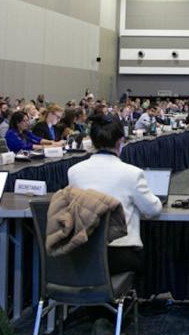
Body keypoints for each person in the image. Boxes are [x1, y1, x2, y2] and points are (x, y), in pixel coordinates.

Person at [68, 113, 162, 275]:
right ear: (120, 143)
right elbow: (152, 210)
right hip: (120, 254)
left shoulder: (74, 172)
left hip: (83, 254)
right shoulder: (132, 173)